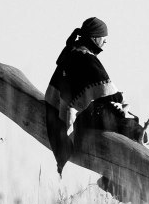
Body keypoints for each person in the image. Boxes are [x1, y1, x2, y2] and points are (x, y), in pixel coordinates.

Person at [44, 17, 123, 174]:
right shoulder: (86, 58)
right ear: (94, 38)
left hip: (53, 115)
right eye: (104, 38)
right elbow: (110, 94)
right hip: (74, 121)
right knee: (127, 119)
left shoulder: (72, 52)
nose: (106, 42)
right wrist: (121, 102)